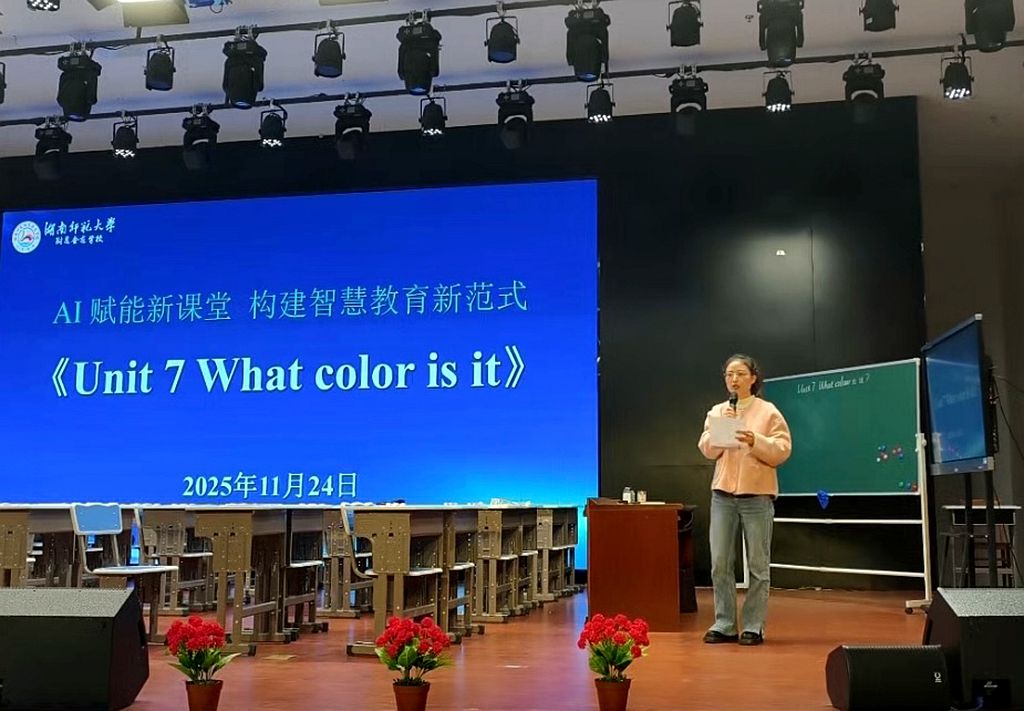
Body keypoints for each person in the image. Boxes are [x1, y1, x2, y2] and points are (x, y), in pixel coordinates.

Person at [697, 354, 792, 646]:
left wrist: (755, 440)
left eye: (739, 373)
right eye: (729, 375)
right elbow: (707, 449)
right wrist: (720, 430)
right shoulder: (718, 411)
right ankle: (724, 623)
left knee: (758, 565)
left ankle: (754, 626)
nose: (734, 379)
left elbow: (782, 449)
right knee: (720, 562)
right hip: (723, 495)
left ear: (753, 378)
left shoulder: (768, 411)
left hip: (757, 496)